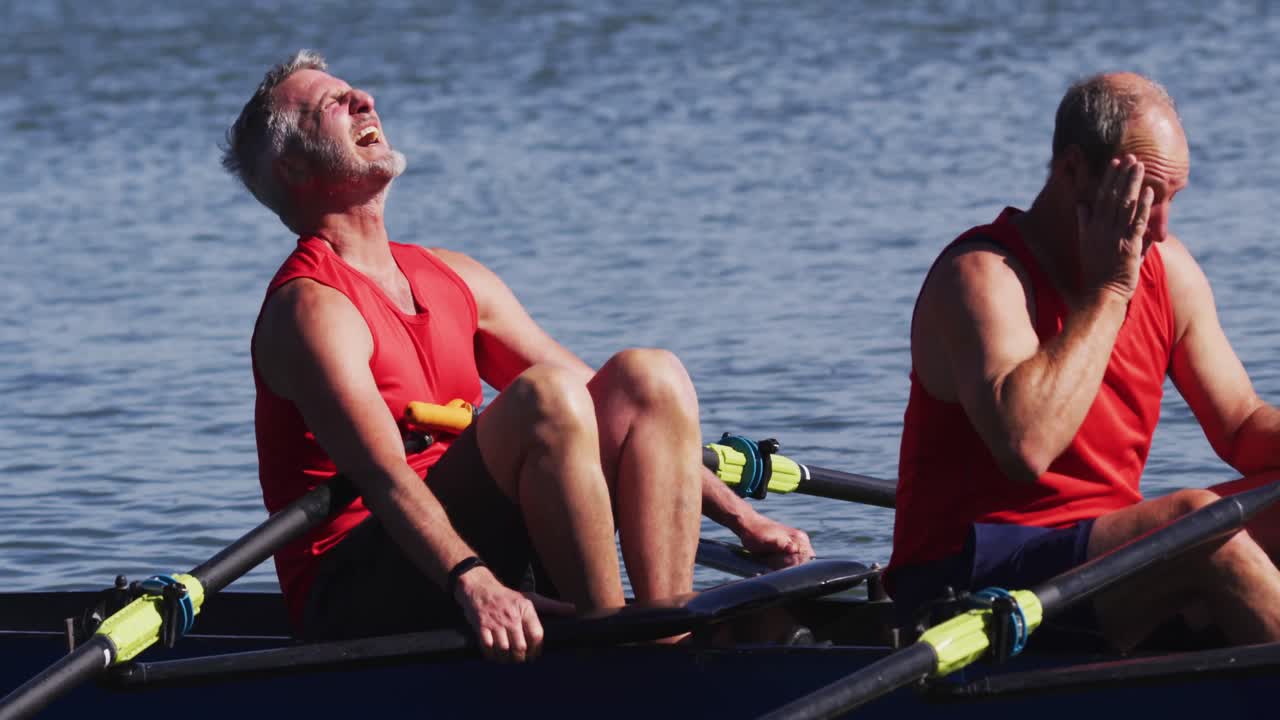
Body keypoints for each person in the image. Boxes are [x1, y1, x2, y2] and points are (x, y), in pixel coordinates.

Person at [221, 50, 814, 662]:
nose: (363, 100)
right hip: (362, 588)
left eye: (356, 92)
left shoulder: (454, 276)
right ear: (293, 167)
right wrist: (474, 584)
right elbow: (384, 477)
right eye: (332, 106)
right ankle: (612, 646)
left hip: (477, 544)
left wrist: (744, 520)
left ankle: (666, 636)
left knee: (647, 376)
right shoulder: (311, 310)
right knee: (545, 398)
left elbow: (621, 417)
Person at [887, 71, 1280, 650]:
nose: (1163, 227)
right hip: (971, 578)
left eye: (1174, 198)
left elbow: (1242, 425)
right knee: (1201, 524)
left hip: (1099, 556)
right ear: (1074, 172)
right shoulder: (981, 278)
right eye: (1146, 196)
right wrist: (1109, 294)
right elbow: (1026, 447)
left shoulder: (1169, 272)